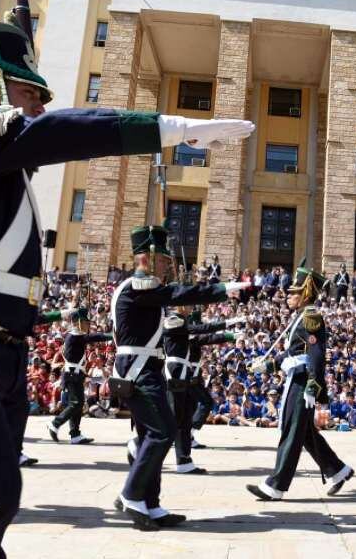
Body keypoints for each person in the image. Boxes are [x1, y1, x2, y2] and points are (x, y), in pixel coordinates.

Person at [0, 19, 254, 556]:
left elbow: (39, 137)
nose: (39, 107)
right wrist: (169, 128)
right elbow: (60, 132)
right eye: (30, 93)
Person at [111, 225, 245, 530]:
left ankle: (151, 503)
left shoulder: (140, 289)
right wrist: (222, 289)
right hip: (138, 370)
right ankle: (132, 495)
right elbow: (177, 293)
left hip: (144, 368)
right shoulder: (136, 287)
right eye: (162, 261)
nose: (167, 266)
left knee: (152, 434)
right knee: (163, 431)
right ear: (145, 258)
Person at [246, 259, 354, 500]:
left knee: (292, 431)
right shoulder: (300, 317)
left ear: (305, 294)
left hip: (303, 380)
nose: (288, 295)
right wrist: (266, 365)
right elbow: (292, 353)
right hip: (296, 376)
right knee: (303, 432)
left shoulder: (311, 317)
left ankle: (276, 485)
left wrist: (313, 386)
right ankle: (338, 470)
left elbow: (316, 355)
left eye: (294, 292)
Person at [161, 307, 243, 473]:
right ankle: (142, 449)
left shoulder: (182, 322)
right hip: (175, 372)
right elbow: (201, 332)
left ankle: (183, 461)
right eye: (188, 305)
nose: (190, 308)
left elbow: (200, 332)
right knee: (175, 418)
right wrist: (228, 325)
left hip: (183, 372)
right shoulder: (173, 320)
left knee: (183, 419)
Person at [46, 308, 111, 444]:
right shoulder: (74, 336)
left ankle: (75, 434)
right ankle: (55, 424)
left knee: (78, 403)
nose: (87, 325)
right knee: (76, 403)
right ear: (77, 322)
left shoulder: (77, 336)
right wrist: (111, 335)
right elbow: (94, 337)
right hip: (71, 375)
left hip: (76, 375)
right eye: (85, 322)